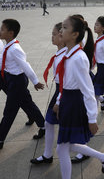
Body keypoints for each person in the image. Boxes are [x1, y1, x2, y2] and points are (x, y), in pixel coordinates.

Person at [54, 15, 104, 179]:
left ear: (75, 34)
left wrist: (92, 119)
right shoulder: (68, 54)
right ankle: (103, 157)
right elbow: (64, 83)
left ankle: (103, 157)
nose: (61, 30)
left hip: (74, 103)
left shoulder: (78, 58)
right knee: (68, 145)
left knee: (62, 148)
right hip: (67, 100)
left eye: (65, 27)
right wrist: (59, 101)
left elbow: (88, 90)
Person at [0, 19, 46, 149]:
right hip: (11, 79)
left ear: (11, 33)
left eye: (3, 29)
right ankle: (44, 126)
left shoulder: (15, 49)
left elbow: (25, 66)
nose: (0, 31)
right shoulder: (7, 46)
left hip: (17, 81)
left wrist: (35, 81)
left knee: (9, 111)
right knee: (28, 104)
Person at [30, 22, 68, 164]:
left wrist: (59, 100)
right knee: (50, 122)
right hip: (60, 90)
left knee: (69, 131)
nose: (51, 37)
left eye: (54, 34)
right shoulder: (60, 53)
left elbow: (67, 82)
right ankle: (47, 154)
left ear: (62, 36)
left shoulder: (65, 56)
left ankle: (100, 156)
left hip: (64, 92)